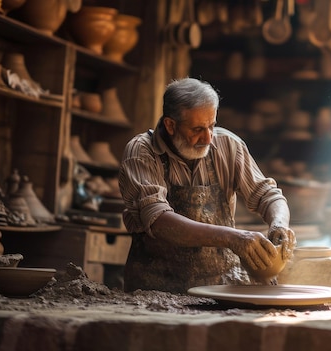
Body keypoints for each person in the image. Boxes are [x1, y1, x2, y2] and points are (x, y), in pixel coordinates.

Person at [119, 77, 296, 293]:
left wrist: (279, 223)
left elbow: (268, 195)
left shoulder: (228, 145)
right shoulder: (141, 152)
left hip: (221, 285)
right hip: (156, 288)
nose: (208, 137)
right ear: (170, 125)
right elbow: (157, 219)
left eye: (212, 125)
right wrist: (232, 237)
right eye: (197, 129)